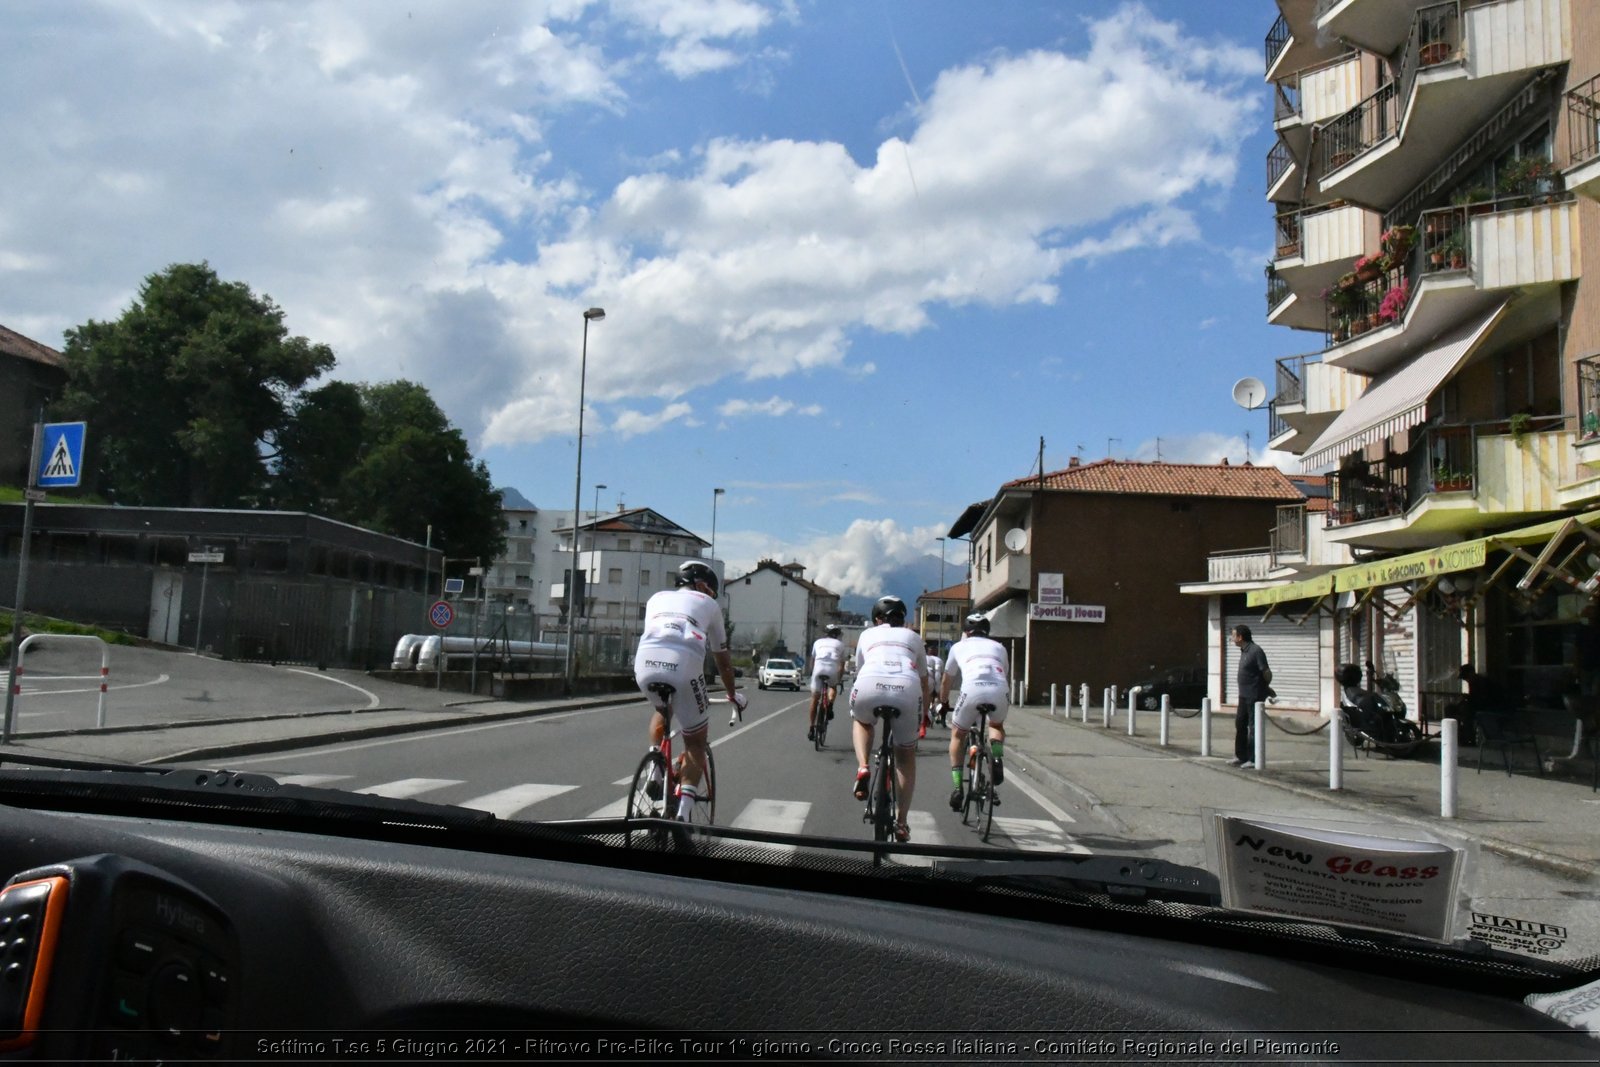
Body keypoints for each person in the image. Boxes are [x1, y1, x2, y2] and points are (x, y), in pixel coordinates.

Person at [633, 561, 747, 819]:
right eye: (711, 591)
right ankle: (683, 813)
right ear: (701, 585)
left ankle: (655, 770)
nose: (711, 597)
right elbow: (723, 660)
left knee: (663, 709)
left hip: (645, 663)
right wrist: (731, 694)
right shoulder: (709, 605)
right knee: (695, 741)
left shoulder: (656, 598)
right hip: (682, 664)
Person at [849, 595, 929, 842]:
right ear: (902, 620)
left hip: (869, 682)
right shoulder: (914, 638)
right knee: (905, 757)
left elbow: (859, 669)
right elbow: (925, 682)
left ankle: (863, 766)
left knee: (862, 721)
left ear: (876, 619)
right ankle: (902, 822)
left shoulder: (866, 635)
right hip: (907, 688)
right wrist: (922, 715)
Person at [939, 613, 1009, 811]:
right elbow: (1004, 673)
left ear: (965, 632)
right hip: (998, 689)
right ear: (987, 631)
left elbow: (947, 680)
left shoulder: (958, 647)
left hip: (972, 690)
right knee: (995, 725)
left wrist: (943, 702)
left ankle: (957, 787)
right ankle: (996, 756)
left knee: (958, 734)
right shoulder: (999, 647)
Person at [1230, 624, 1271, 768]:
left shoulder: (1256, 651)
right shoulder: (1244, 651)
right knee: (1240, 724)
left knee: (1253, 728)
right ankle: (1241, 755)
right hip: (1243, 695)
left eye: (1233, 636)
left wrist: (1264, 687)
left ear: (1240, 637)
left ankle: (1253, 759)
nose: (1232, 639)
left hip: (1254, 696)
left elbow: (1266, 672)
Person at [806, 624, 846, 741]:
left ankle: (811, 728)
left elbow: (812, 661)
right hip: (832, 669)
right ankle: (830, 707)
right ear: (837, 635)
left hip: (818, 669)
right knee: (832, 687)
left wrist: (813, 673)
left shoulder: (817, 642)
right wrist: (838, 679)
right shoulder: (840, 644)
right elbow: (841, 666)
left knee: (814, 699)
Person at [925, 641, 945, 727]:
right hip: (935, 679)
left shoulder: (925, 658)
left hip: (928, 679)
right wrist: (938, 690)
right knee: (941, 699)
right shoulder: (940, 660)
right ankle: (939, 714)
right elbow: (939, 675)